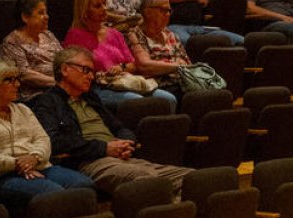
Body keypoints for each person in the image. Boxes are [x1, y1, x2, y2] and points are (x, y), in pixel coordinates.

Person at [29, 46, 196, 195]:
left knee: (192, 178)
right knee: (150, 180)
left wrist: (126, 142)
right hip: (89, 162)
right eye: (85, 70)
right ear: (65, 69)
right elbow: (54, 142)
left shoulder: (90, 98)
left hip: (121, 158)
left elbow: (120, 127)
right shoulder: (47, 101)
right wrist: (104, 148)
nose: (91, 76)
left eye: (92, 72)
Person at [0, 59, 94, 210]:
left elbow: (43, 139)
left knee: (84, 185)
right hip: (5, 174)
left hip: (40, 165)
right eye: (10, 80)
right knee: (54, 194)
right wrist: (16, 163)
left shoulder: (22, 109)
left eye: (17, 79)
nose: (17, 84)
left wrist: (34, 157)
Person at [62, 0, 176, 108]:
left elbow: (132, 64)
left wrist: (120, 68)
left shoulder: (114, 33)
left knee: (169, 99)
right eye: (97, 6)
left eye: (104, 4)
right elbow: (76, 72)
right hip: (97, 88)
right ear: (84, 11)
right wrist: (105, 74)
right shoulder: (75, 36)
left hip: (124, 81)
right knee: (137, 101)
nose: (104, 8)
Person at [125, 0, 192, 99]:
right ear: (147, 12)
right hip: (157, 86)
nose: (168, 14)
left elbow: (188, 65)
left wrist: (162, 66)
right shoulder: (134, 35)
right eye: (163, 10)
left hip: (181, 84)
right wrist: (177, 66)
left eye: (169, 10)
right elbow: (145, 68)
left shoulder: (171, 35)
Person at [1, 0, 64, 101]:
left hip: (60, 89)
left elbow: (63, 59)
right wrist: (58, 83)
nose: (46, 17)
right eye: (40, 13)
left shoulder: (48, 35)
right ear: (25, 17)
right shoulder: (13, 41)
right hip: (35, 96)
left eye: (46, 12)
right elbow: (24, 74)